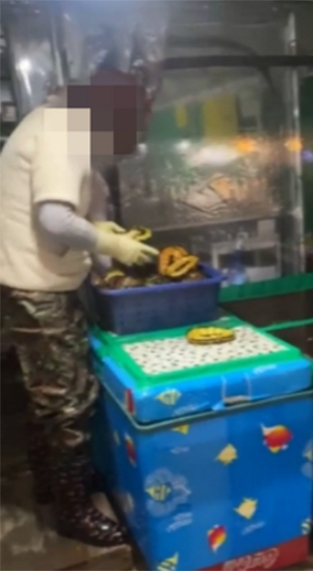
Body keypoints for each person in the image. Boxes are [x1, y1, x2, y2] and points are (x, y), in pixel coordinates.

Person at [0, 68, 158, 547]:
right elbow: (54, 218)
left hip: (29, 281)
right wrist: (110, 244)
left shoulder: (58, 122)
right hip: (37, 287)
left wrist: (105, 250)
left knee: (46, 390)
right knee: (68, 400)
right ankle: (72, 512)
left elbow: (89, 206)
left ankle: (52, 483)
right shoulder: (63, 130)